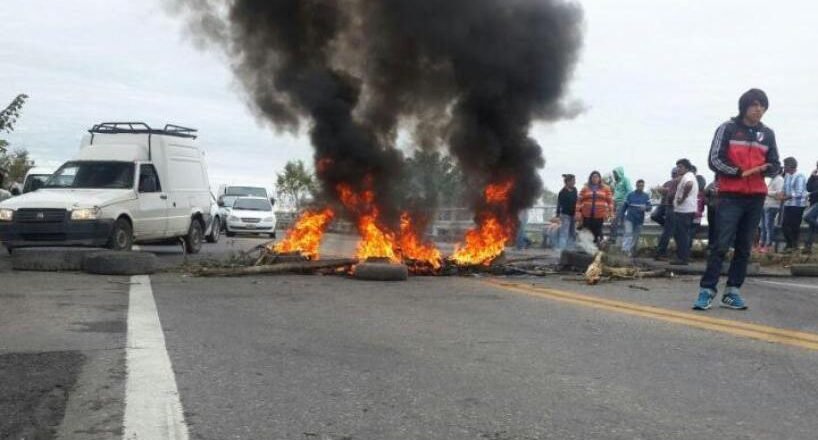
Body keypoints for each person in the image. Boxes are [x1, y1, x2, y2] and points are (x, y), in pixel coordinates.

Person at [694, 88, 780, 311]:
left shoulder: (767, 134)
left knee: (744, 247)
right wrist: (737, 172)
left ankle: (732, 291)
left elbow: (776, 163)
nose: (759, 109)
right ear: (744, 107)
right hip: (731, 196)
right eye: (754, 104)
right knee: (720, 244)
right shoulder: (728, 128)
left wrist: (769, 168)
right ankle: (707, 290)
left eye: (762, 105)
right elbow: (714, 159)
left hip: (756, 197)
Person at [670, 159, 698, 265]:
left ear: (686, 168)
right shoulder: (688, 176)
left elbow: (689, 185)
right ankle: (683, 256)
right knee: (681, 234)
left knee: (681, 235)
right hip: (685, 210)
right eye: (677, 166)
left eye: (680, 166)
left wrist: (682, 198)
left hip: (684, 211)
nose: (678, 168)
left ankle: (682, 258)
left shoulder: (688, 176)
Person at [575, 171, 613, 245]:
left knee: (597, 232)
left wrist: (611, 212)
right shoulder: (585, 188)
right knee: (587, 232)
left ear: (599, 178)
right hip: (586, 215)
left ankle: (595, 249)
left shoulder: (606, 189)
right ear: (590, 178)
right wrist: (577, 212)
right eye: (593, 177)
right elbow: (579, 201)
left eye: (597, 177)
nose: (595, 178)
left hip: (600, 215)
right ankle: (587, 249)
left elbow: (610, 202)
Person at [778, 157, 807, 252]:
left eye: (785, 165)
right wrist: (782, 193)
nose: (784, 168)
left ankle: (793, 245)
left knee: (794, 225)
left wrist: (785, 197)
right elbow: (784, 188)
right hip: (788, 204)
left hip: (798, 205)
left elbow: (799, 193)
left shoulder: (800, 176)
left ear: (790, 166)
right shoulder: (787, 175)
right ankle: (790, 244)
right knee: (784, 225)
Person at [654, 167, 679, 260]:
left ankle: (661, 252)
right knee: (668, 231)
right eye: (673, 173)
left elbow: (663, 191)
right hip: (670, 206)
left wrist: (663, 190)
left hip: (668, 206)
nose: (674, 175)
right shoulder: (674, 182)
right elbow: (668, 193)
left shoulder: (672, 182)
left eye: (675, 173)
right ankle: (660, 253)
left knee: (669, 230)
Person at [621, 179, 651, 256]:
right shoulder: (630, 195)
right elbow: (624, 207)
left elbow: (649, 207)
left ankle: (630, 252)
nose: (640, 187)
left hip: (639, 220)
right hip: (630, 218)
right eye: (639, 185)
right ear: (636, 185)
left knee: (635, 236)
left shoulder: (646, 196)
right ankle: (624, 250)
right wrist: (622, 217)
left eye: (642, 186)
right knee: (628, 234)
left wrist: (645, 208)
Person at [760, 170, 784, 252]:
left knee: (768, 226)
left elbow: (780, 193)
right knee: (763, 226)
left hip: (772, 205)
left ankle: (769, 245)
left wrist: (766, 192)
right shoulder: (772, 179)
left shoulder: (779, 179)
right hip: (765, 204)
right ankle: (762, 244)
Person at [555, 174, 578, 250]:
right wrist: (558, 214)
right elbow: (559, 204)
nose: (574, 182)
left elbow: (576, 202)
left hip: (573, 214)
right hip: (565, 215)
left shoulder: (575, 190)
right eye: (573, 181)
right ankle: (561, 250)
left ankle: (571, 249)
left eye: (574, 181)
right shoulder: (562, 192)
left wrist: (577, 212)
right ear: (568, 182)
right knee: (564, 233)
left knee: (572, 233)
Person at [610, 166, 632, 244]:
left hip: (623, 203)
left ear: (619, 172)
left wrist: (625, 201)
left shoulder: (625, 180)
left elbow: (629, 190)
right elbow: (616, 193)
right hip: (616, 203)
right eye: (614, 173)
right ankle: (623, 242)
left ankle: (613, 238)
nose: (614, 175)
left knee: (615, 220)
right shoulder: (616, 182)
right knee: (622, 222)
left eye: (615, 173)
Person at [803, 161, 818, 253]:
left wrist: (810, 193)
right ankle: (807, 247)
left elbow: (811, 191)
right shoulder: (815, 178)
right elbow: (808, 187)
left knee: (807, 217)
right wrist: (812, 176)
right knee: (811, 226)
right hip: (813, 202)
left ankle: (808, 246)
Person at [704, 180, 719, 249]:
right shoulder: (711, 185)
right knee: (712, 227)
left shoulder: (725, 185)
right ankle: (711, 244)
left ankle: (716, 245)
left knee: (718, 228)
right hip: (712, 209)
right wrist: (708, 203)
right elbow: (705, 194)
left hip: (721, 211)